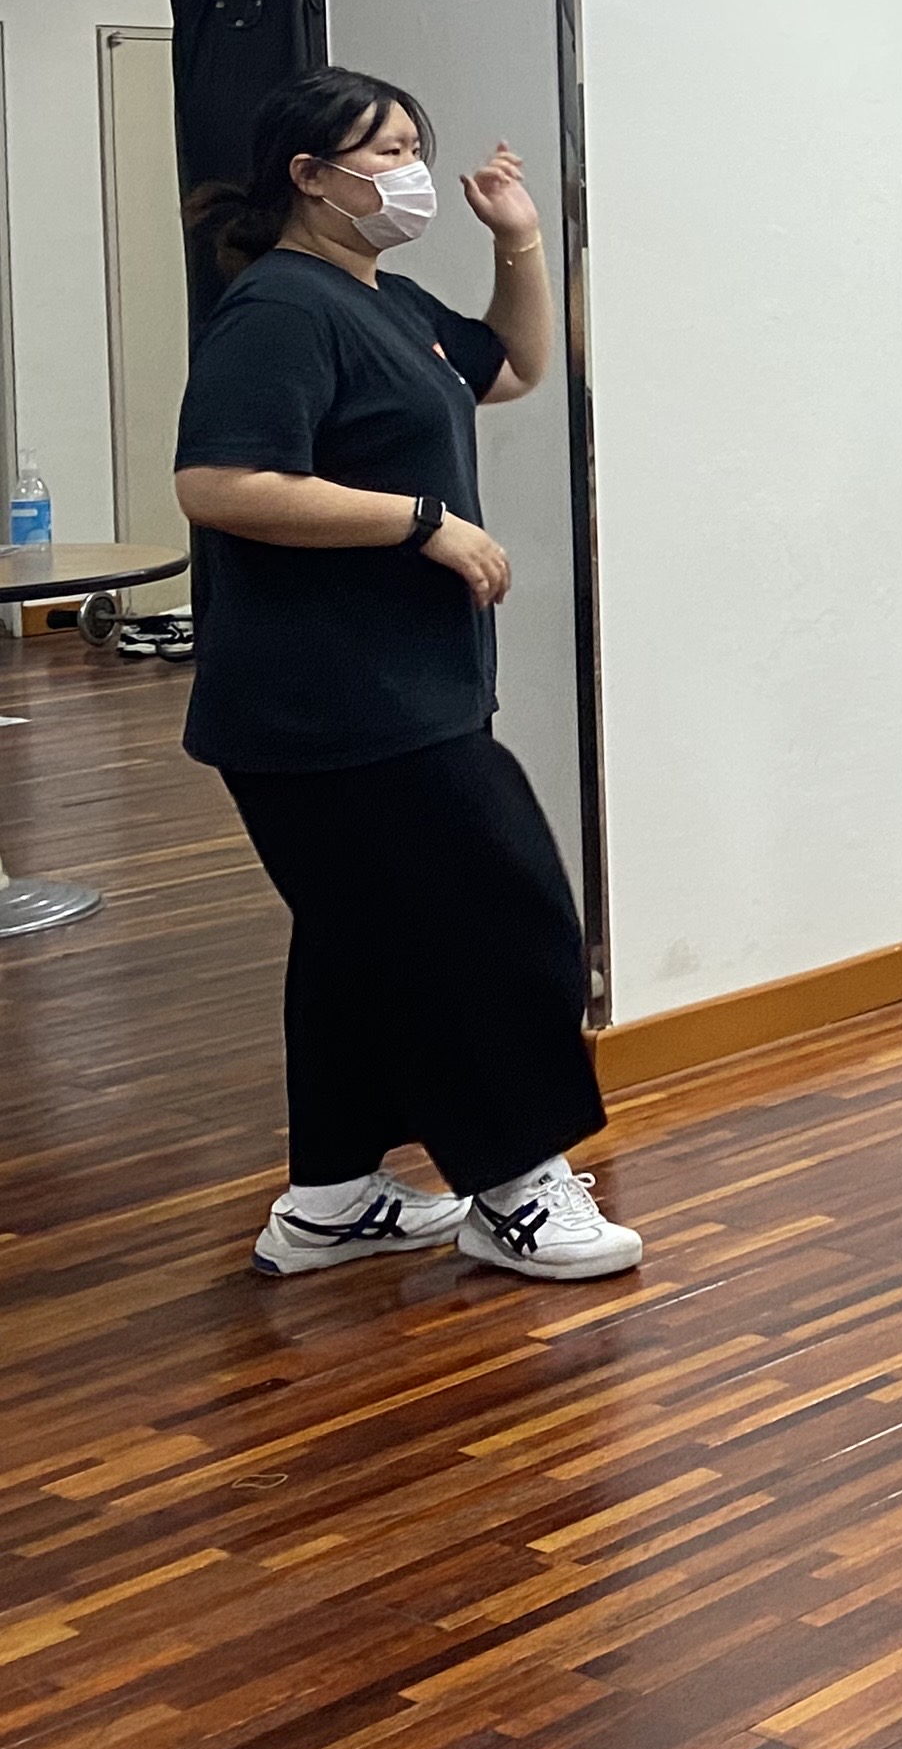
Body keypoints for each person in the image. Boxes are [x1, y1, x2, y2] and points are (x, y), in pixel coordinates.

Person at [172, 67, 640, 1282]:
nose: (409, 170)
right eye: (382, 151)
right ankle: (516, 1188)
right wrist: (419, 521)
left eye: (411, 145)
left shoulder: (383, 297)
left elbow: (514, 369)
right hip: (329, 705)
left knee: (361, 939)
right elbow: (219, 483)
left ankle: (331, 1199)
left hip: (405, 689)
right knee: (500, 922)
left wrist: (519, 240)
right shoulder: (280, 309)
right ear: (309, 176)